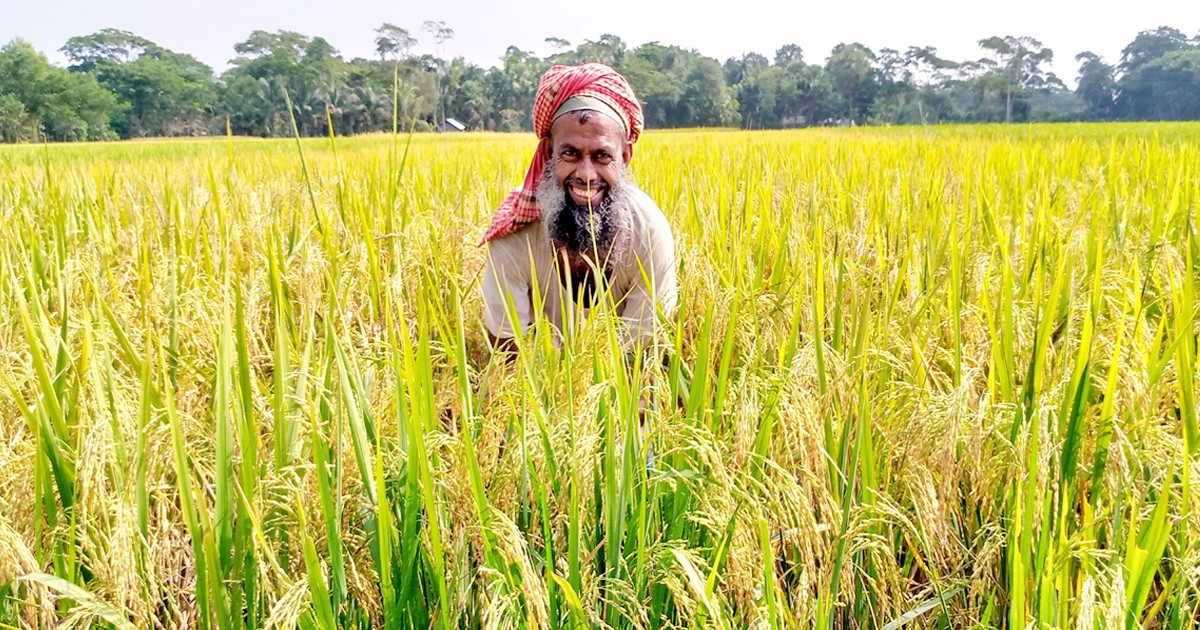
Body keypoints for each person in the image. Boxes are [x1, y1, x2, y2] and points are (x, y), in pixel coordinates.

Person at [480, 63, 676, 354]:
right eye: (570, 153)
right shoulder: (515, 237)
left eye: (602, 156)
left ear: (624, 156)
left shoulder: (648, 231)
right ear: (549, 153)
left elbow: (642, 356)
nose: (586, 174)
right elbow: (507, 360)